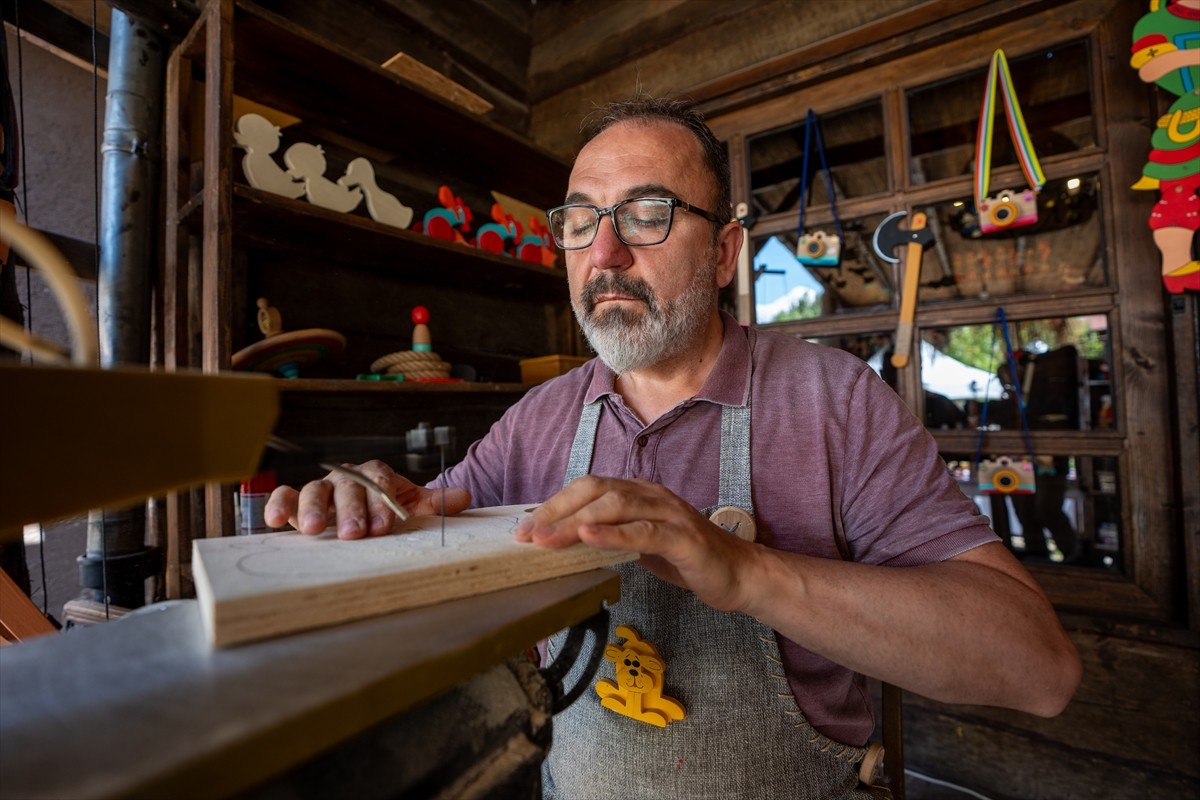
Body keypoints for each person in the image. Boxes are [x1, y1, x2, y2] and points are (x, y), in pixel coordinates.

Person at [266, 96, 1081, 798]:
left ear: (724, 253)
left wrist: (747, 571)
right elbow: (427, 522)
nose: (605, 254)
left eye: (647, 214)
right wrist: (364, 502)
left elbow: (1039, 670)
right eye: (581, 221)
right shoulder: (539, 416)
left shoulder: (831, 400)